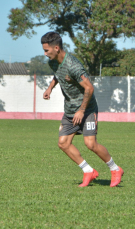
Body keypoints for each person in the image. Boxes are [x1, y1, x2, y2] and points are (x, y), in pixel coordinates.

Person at [41, 32, 124, 187]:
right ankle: (88, 171)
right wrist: (50, 88)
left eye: (47, 50)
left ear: (57, 48)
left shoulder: (73, 65)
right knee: (63, 143)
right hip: (70, 109)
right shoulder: (52, 62)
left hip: (87, 110)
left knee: (90, 144)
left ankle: (115, 169)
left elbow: (89, 88)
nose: (45, 53)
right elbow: (57, 75)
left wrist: (81, 110)